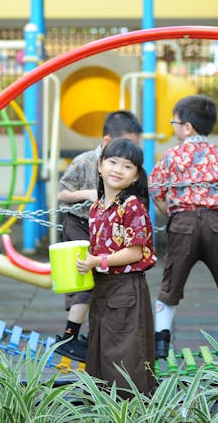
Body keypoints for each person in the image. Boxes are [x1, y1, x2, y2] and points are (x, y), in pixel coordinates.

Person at [149, 95, 218, 359]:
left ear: (187, 128)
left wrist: (170, 212)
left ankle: (161, 340)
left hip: (182, 223)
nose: (173, 127)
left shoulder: (171, 155)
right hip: (217, 223)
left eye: (174, 122)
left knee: (171, 284)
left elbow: (156, 190)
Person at [55, 110, 142, 362]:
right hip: (79, 223)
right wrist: (88, 193)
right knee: (84, 278)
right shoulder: (84, 161)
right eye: (124, 146)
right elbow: (62, 193)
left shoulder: (124, 169)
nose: (128, 154)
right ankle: (69, 337)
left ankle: (91, 335)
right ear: (106, 143)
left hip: (103, 226)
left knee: (103, 278)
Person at [75, 138, 157, 397]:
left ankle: (128, 406)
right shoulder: (96, 207)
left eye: (127, 166)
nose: (118, 169)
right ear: (99, 166)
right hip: (104, 286)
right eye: (112, 162)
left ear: (135, 177)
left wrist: (97, 262)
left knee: (125, 350)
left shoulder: (132, 206)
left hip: (126, 287)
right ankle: (103, 405)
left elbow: (134, 251)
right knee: (101, 345)